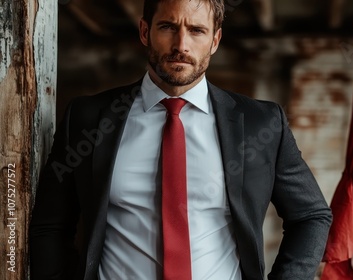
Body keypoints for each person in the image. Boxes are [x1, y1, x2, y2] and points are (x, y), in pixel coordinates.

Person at [29, 0, 333, 279]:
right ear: (145, 31)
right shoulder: (87, 118)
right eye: (167, 27)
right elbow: (51, 225)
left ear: (215, 40)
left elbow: (311, 215)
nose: (181, 45)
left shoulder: (260, 123)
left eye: (197, 30)